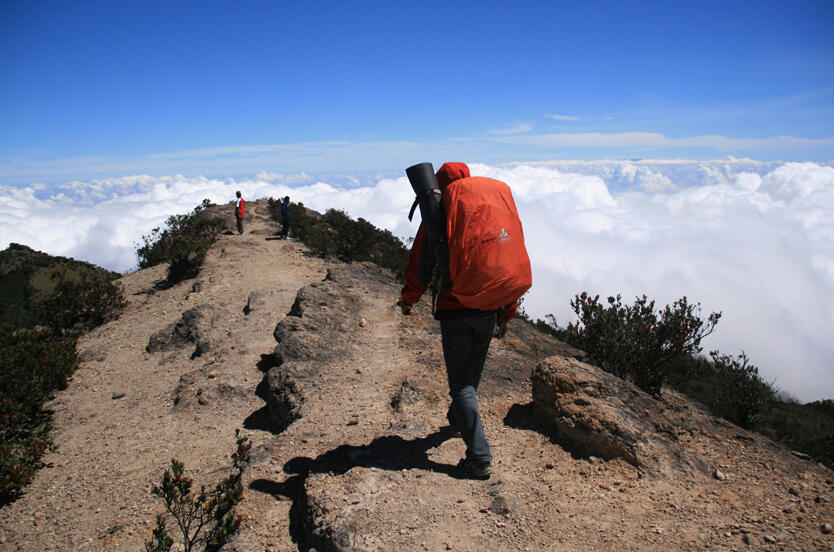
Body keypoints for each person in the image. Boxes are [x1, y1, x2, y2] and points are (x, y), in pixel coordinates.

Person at [399, 162, 519, 479]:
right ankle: (460, 418)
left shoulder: (439, 214)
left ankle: (479, 457)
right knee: (472, 372)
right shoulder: (487, 210)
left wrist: (408, 299)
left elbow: (420, 264)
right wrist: (508, 307)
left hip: (456, 309)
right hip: (490, 306)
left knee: (461, 385)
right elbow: (503, 261)